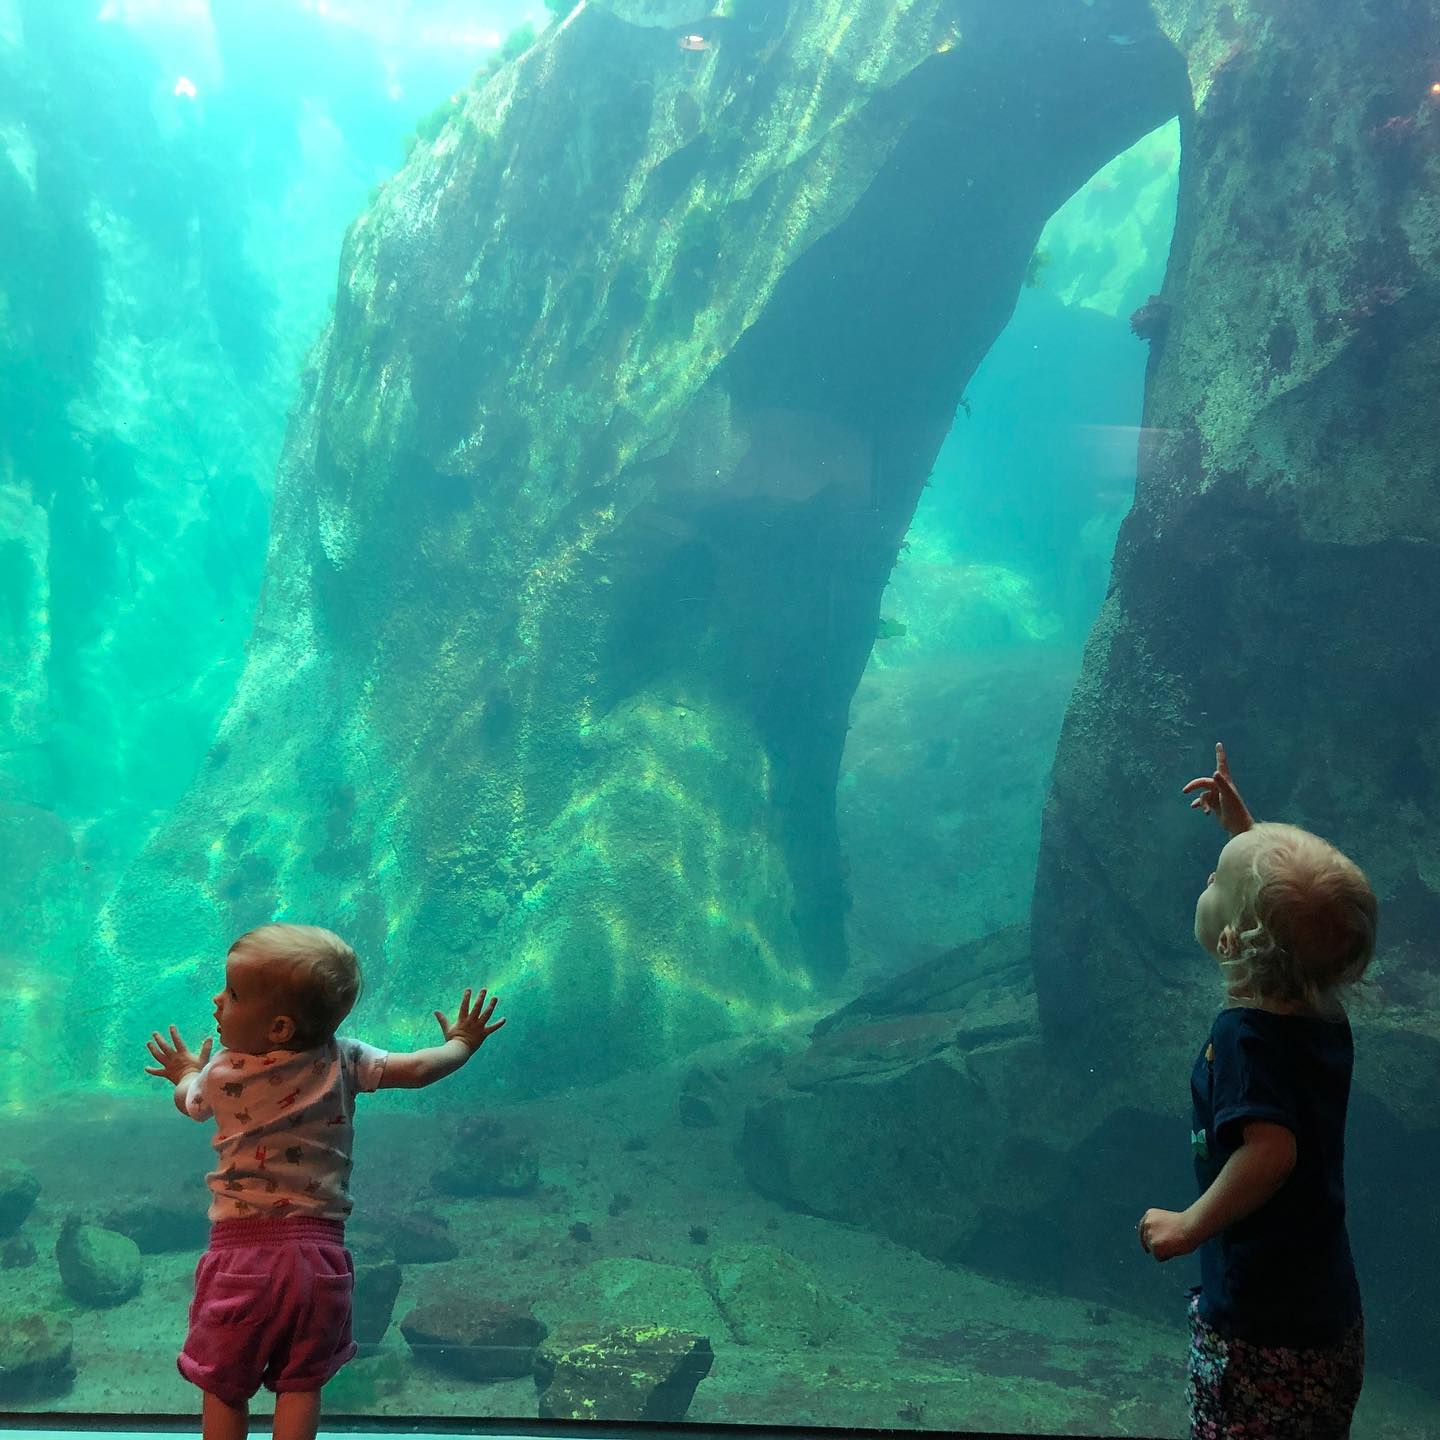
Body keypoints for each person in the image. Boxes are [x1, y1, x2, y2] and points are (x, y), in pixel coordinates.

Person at [145, 923, 506, 1440]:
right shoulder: (347, 1058)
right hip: (319, 1260)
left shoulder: (224, 1073)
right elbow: (422, 1069)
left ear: (280, 1028)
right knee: (302, 1384)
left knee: (225, 1386)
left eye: (233, 993)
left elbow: (191, 1103)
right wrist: (463, 1042)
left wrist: (184, 1070)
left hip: (241, 1257)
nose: (217, 1000)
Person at [1136, 743, 1376, 1439]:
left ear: (1232, 938)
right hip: (1325, 1309)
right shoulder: (1320, 1011)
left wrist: (1189, 1225)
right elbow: (1293, 921)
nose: (1206, 882)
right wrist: (1247, 836)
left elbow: (1270, 1153)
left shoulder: (1246, 1039)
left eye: (1215, 879)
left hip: (1259, 1328)